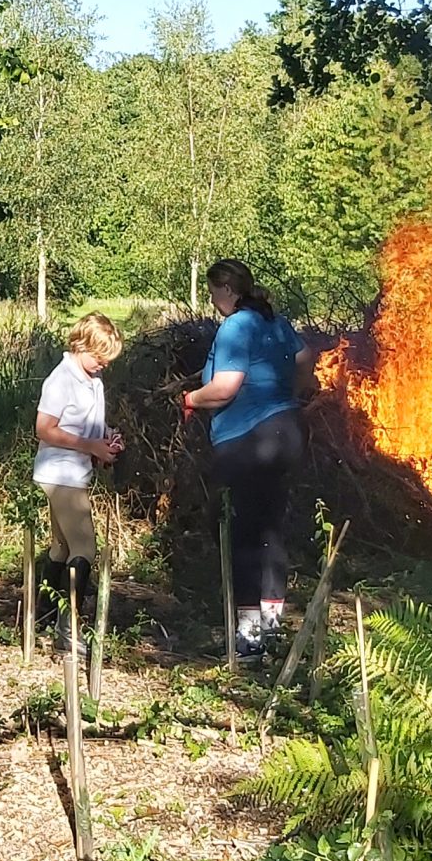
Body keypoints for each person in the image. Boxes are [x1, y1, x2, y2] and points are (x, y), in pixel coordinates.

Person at [179, 259, 309, 657]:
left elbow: (225, 387)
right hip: (287, 433)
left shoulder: (236, 326)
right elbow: (305, 360)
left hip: (248, 440)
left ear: (227, 290)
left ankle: (249, 638)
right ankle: (271, 629)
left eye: (213, 292)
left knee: (244, 534)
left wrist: (191, 399)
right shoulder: (276, 322)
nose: (212, 300)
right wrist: (290, 395)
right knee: (271, 529)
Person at [33, 312, 125, 639]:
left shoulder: (92, 381)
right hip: (61, 473)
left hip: (75, 472)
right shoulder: (61, 380)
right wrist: (91, 446)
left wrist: (107, 437)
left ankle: (43, 615)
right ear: (81, 346)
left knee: (62, 547)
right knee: (85, 548)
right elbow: (44, 429)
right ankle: (67, 628)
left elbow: (87, 423)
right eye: (99, 357)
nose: (103, 363)